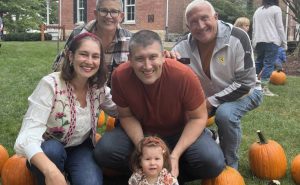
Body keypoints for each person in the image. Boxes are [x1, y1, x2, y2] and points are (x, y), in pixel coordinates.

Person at [94, 30, 225, 184]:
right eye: (140, 59)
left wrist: (175, 155)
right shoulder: (120, 76)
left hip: (179, 131)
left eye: (153, 57)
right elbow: (126, 115)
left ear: (163, 56)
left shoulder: (183, 76)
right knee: (104, 152)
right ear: (129, 59)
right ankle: (144, 172)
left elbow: (199, 117)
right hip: (141, 130)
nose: (147, 66)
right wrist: (142, 147)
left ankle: (169, 173)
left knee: (212, 162)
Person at [14, 32, 117, 185]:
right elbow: (26, 138)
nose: (89, 61)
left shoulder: (98, 88)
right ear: (70, 56)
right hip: (48, 148)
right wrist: (51, 171)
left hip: (81, 147)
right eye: (83, 54)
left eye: (95, 56)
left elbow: (119, 110)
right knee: (52, 152)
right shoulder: (50, 85)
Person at [172, 0, 263, 169]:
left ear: (216, 17)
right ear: (187, 25)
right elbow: (169, 71)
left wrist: (208, 103)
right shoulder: (182, 45)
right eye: (193, 22)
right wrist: (167, 59)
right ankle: (209, 137)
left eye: (205, 18)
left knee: (225, 114)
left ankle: (230, 164)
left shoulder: (238, 37)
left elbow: (246, 83)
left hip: (247, 92)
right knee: (179, 117)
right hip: (209, 96)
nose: (200, 26)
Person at [52, 0, 132, 87]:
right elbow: (61, 70)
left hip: (115, 96)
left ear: (121, 16)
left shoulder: (130, 40)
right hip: (80, 92)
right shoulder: (78, 34)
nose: (108, 16)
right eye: (103, 11)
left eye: (114, 12)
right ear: (96, 14)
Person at [252, 0, 287, 96]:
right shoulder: (276, 9)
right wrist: (284, 43)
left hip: (259, 41)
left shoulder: (258, 10)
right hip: (272, 41)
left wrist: (253, 42)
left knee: (258, 62)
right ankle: (264, 89)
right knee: (269, 64)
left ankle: (253, 86)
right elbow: (280, 27)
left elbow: (254, 28)